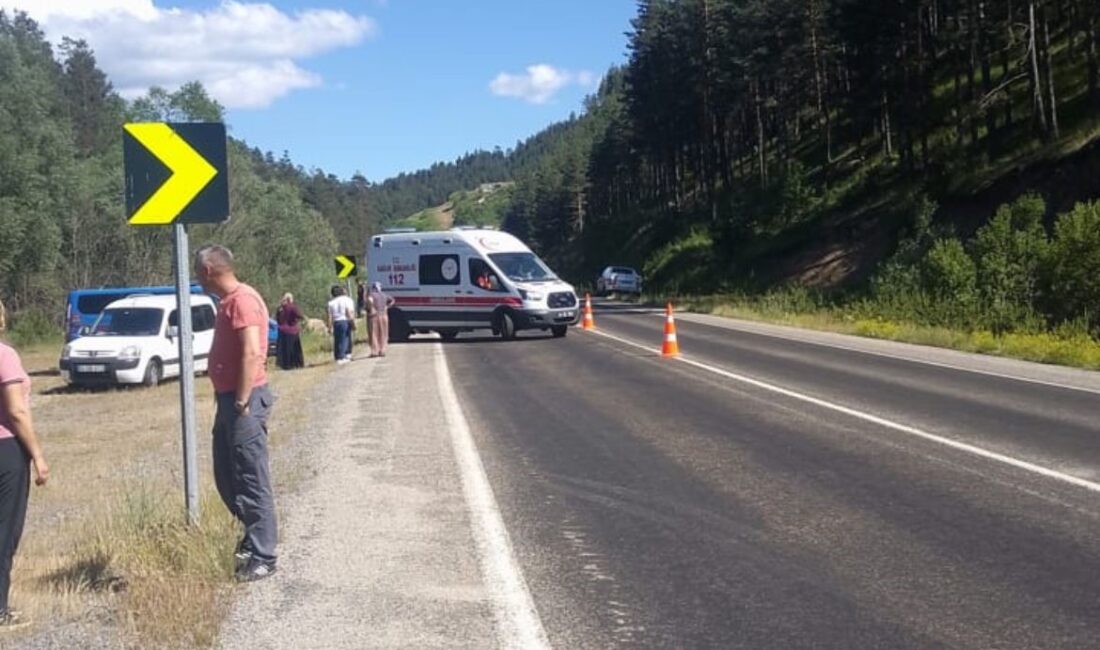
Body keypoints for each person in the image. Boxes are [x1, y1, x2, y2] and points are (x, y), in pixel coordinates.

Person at [194, 244, 278, 582]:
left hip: (243, 401)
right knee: (228, 474)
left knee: (250, 478)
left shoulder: (242, 300)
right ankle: (251, 536)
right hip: (229, 399)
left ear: (209, 271)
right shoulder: (230, 302)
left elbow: (251, 352)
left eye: (198, 272)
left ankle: (264, 554)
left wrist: (242, 400)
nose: (197, 278)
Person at [0, 313, 49, 628]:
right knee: (4, 531)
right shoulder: (4, 355)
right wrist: (38, 455)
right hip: (6, 451)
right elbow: (17, 411)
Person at [274, 293, 304, 370]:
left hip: (282, 330)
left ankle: (285, 365)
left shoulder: (280, 308)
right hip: (292, 330)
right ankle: (295, 364)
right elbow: (300, 315)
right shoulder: (292, 307)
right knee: (294, 348)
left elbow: (277, 318)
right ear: (289, 299)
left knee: (284, 349)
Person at [327, 286, 355, 364]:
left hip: (336, 322)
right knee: (345, 338)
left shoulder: (331, 302)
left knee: (337, 339)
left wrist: (329, 326)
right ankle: (343, 356)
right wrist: (352, 322)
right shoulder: (346, 300)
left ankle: (338, 356)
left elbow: (330, 316)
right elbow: (349, 311)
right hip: (344, 320)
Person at [368, 282, 395, 358]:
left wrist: (372, 307)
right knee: (384, 333)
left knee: (374, 333)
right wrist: (387, 306)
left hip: (375, 316)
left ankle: (375, 351)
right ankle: (382, 350)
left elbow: (370, 300)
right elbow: (393, 300)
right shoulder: (384, 295)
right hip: (384, 315)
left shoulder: (372, 295)